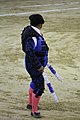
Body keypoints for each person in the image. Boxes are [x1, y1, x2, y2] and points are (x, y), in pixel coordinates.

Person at [21, 14, 49, 118]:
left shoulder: (30, 31)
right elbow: (30, 52)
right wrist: (38, 66)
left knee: (35, 81)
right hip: (33, 64)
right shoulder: (32, 36)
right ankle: (34, 111)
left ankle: (30, 104)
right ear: (40, 24)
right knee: (39, 86)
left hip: (32, 62)